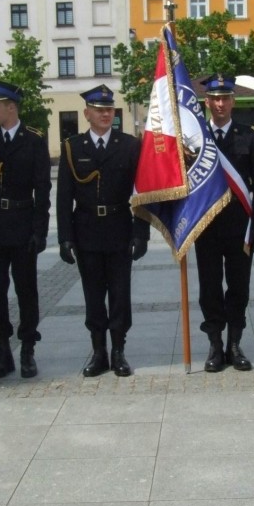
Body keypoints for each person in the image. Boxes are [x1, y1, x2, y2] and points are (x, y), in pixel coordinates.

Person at [57, 84, 148, 377]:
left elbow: (141, 192)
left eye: (109, 109)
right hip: (86, 231)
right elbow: (63, 197)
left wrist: (141, 232)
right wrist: (65, 237)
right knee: (93, 295)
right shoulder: (73, 147)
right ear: (87, 114)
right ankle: (98, 351)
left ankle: (119, 350)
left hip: (119, 227)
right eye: (98, 110)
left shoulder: (130, 145)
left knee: (120, 295)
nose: (105, 114)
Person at [0, 80, 51, 379]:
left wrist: (39, 231)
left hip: (21, 224)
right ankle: (3, 350)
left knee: (26, 290)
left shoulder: (33, 140)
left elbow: (42, 190)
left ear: (11, 107)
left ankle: (28, 347)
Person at [194, 74, 254, 372]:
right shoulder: (195, 139)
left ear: (233, 101)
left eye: (225, 98)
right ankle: (215, 345)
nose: (220, 104)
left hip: (240, 227)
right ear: (206, 102)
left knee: (239, 287)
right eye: (215, 99)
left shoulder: (249, 136)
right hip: (207, 227)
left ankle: (235, 343)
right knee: (209, 288)